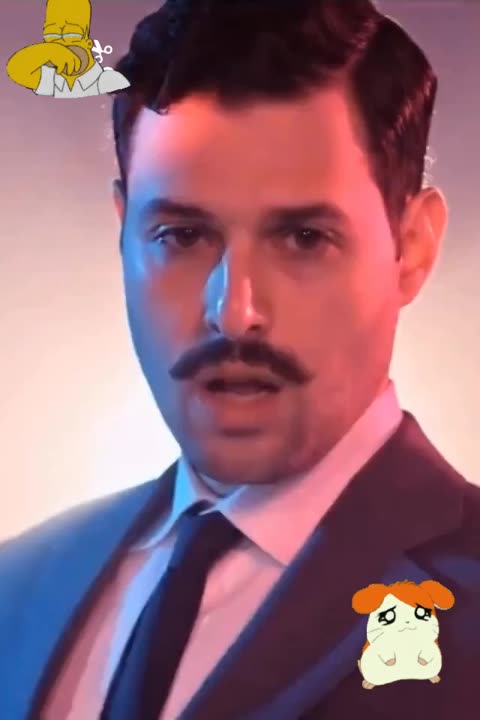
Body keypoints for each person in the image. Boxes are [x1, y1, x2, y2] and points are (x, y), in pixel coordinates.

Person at [1, 0, 479, 718]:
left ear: (411, 249)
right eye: (182, 236)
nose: (234, 312)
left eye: (304, 238)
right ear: (124, 233)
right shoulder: (19, 586)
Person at [6, 0, 129, 99]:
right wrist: (50, 51)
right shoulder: (51, 79)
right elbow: (17, 69)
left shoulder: (108, 81)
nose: (61, 44)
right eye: (51, 34)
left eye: (70, 33)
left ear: (88, 43)